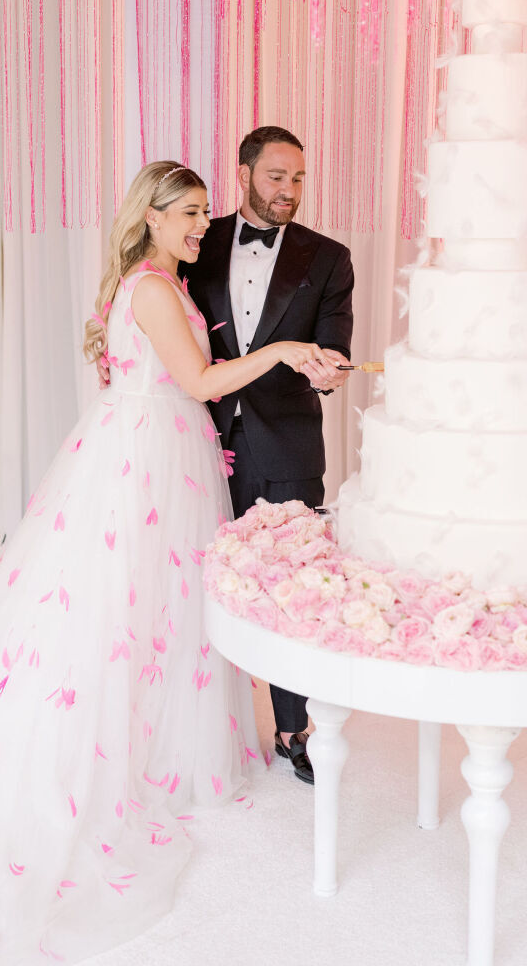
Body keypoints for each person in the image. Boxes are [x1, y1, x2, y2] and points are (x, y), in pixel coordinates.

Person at [0, 162, 328, 965]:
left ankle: (156, 728)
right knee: (131, 608)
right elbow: (196, 380)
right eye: (191, 214)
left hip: (150, 451)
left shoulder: (152, 282)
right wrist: (285, 350)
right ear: (154, 217)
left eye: (204, 213)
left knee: (146, 609)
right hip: (149, 461)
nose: (203, 225)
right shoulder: (157, 291)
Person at [183, 126, 354, 784]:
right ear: (246, 172)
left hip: (287, 443)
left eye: (299, 179)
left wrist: (327, 370)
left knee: (293, 588)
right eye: (278, 176)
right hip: (195, 440)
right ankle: (197, 719)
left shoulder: (329, 258)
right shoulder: (197, 240)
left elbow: (332, 347)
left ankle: (293, 728)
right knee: (191, 577)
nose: (289, 191)